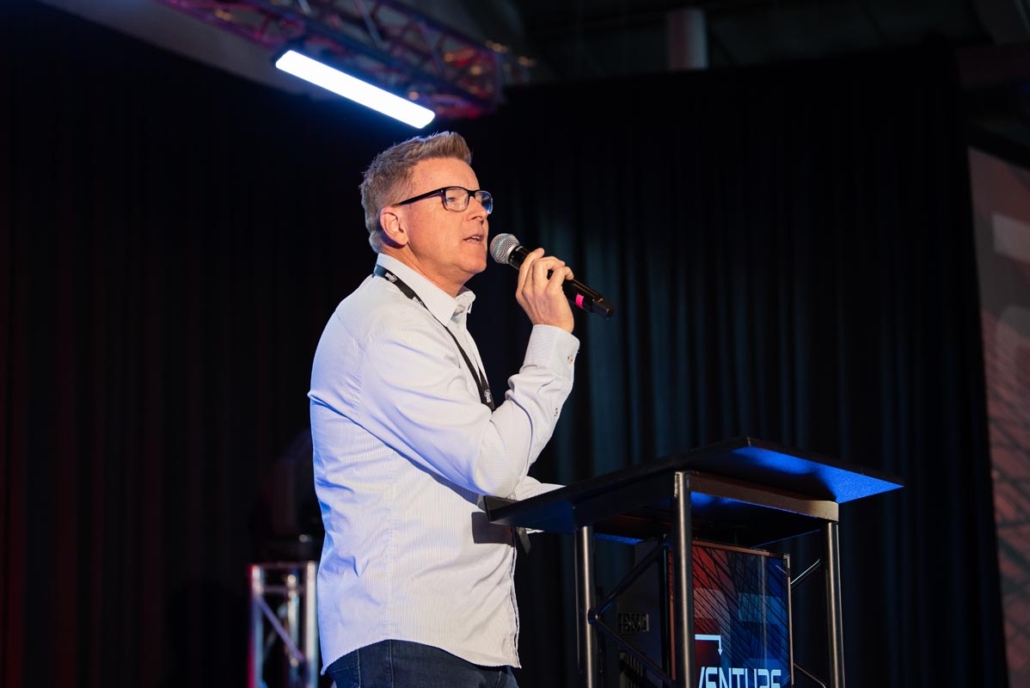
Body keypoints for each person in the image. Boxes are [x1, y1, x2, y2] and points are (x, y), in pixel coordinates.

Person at [308, 130, 580, 687]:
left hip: (467, 638)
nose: (478, 213)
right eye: (452, 198)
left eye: (480, 197)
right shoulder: (385, 325)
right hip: (408, 640)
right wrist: (551, 336)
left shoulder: (433, 321)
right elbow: (491, 465)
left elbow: (479, 477)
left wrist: (614, 506)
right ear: (396, 223)